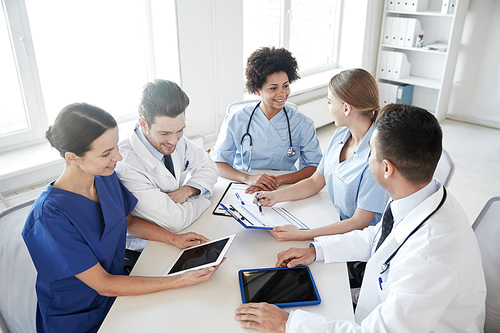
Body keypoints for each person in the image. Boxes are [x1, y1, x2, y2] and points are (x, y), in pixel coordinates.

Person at [234, 103, 486, 333]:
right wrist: (317, 251)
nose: (366, 156)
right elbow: (379, 236)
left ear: (387, 168)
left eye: (371, 151)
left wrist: (288, 324)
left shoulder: (428, 258)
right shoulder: (419, 190)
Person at [22, 103, 221, 333]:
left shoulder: (104, 178)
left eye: (115, 146)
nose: (117, 156)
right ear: (73, 157)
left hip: (119, 295)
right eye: (106, 153)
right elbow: (103, 284)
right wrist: (180, 280)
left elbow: (128, 222)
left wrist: (173, 239)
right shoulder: (48, 217)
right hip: (78, 317)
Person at [256, 68, 389, 241]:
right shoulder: (341, 135)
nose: (329, 108)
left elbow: (359, 222)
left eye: (329, 102)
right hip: (332, 217)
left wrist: (303, 235)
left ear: (346, 109)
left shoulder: (376, 157)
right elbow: (315, 182)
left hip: (359, 239)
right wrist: (276, 196)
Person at [116, 79, 218, 252]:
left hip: (185, 232)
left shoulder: (175, 138)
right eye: (165, 133)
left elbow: (208, 165)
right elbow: (174, 221)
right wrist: (204, 197)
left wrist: (187, 190)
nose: (174, 141)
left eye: (180, 130)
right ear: (143, 124)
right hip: (149, 248)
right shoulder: (126, 165)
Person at [210, 47, 322, 194]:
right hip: (243, 183)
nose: (282, 93)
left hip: (285, 184)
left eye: (286, 85)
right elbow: (218, 162)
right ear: (257, 90)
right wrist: (248, 178)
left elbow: (314, 166)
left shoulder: (302, 123)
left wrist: (278, 180)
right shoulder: (236, 120)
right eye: (273, 88)